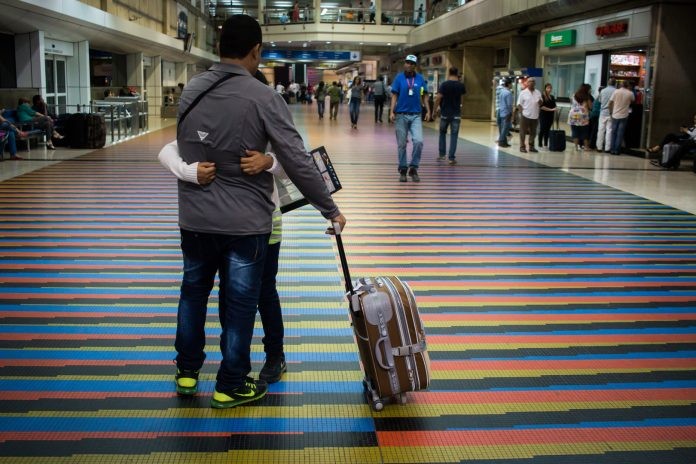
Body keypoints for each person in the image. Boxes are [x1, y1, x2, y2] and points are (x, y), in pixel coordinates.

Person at [173, 14, 346, 409]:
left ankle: (186, 371)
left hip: (195, 217)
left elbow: (185, 150)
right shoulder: (263, 96)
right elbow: (298, 160)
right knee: (238, 305)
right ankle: (231, 382)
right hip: (244, 223)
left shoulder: (191, 91)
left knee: (192, 294)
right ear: (255, 51)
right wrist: (329, 208)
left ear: (219, 49)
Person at [389, 54, 430, 182]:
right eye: (407, 62)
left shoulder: (420, 79)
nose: (409, 65)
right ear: (404, 64)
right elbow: (394, 96)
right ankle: (402, 169)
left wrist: (428, 110)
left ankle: (413, 167)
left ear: (415, 66)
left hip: (416, 115)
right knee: (402, 144)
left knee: (418, 141)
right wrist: (391, 111)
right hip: (401, 115)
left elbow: (424, 95)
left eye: (412, 63)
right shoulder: (399, 78)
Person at [433, 67, 466, 165]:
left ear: (449, 73)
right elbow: (462, 99)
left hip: (444, 114)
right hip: (456, 114)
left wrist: (434, 111)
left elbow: (438, 98)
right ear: (457, 74)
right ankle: (451, 158)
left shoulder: (444, 85)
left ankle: (442, 155)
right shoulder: (461, 85)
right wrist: (460, 107)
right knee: (454, 136)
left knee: (442, 133)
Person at [514, 77, 542, 153]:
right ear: (527, 83)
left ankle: (531, 146)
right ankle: (522, 146)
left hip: (535, 116)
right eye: (530, 81)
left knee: (533, 132)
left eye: (533, 81)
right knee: (523, 132)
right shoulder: (523, 93)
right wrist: (521, 113)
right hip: (525, 116)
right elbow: (519, 104)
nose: (532, 83)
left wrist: (540, 101)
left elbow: (541, 103)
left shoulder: (538, 92)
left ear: (535, 83)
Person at [608, 80, 635, 155]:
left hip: (615, 114)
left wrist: (610, 111)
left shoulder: (616, 92)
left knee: (613, 132)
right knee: (620, 133)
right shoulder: (630, 93)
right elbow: (633, 101)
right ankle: (617, 150)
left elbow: (610, 103)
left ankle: (612, 149)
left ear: (621, 85)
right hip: (624, 115)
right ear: (628, 86)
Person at [567, 83, 592, 151]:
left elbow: (572, 103)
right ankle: (586, 147)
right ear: (587, 89)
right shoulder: (587, 96)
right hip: (583, 116)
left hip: (573, 115)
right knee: (584, 131)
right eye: (590, 89)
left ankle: (576, 147)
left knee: (575, 131)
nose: (591, 90)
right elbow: (590, 106)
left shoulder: (574, 95)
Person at [596, 78, 616, 153]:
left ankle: (599, 147)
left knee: (601, 130)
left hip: (603, 113)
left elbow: (600, 101)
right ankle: (607, 148)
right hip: (612, 113)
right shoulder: (616, 91)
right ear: (615, 84)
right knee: (609, 131)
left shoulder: (603, 91)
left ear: (608, 83)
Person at [537, 83, 556, 149]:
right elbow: (541, 106)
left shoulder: (552, 97)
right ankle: (540, 143)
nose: (549, 89)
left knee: (547, 130)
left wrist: (555, 109)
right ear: (545, 88)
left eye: (550, 88)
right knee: (542, 129)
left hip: (550, 116)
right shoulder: (542, 96)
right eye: (548, 88)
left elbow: (554, 105)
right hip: (543, 115)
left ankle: (545, 144)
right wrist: (551, 109)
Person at [496, 79, 512, 148]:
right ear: (508, 84)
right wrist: (510, 113)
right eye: (511, 84)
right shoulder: (508, 93)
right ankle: (501, 141)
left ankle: (504, 142)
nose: (512, 85)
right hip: (506, 113)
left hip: (501, 111)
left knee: (502, 127)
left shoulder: (501, 92)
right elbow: (509, 105)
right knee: (505, 129)